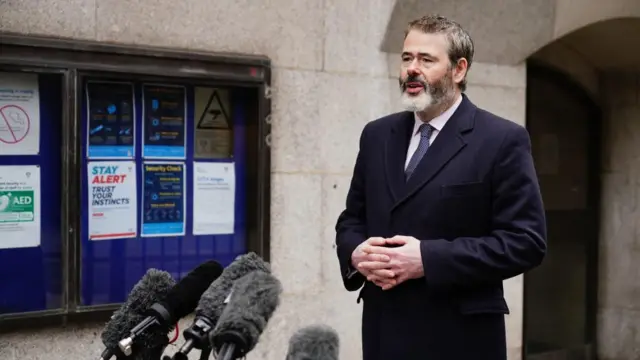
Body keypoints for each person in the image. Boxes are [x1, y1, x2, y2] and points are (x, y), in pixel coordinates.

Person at [334, 14, 547, 360]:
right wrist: (355, 254)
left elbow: (526, 242)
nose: (411, 69)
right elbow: (351, 219)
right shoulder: (376, 135)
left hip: (460, 338)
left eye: (426, 60)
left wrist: (426, 259)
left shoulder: (501, 139)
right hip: (384, 333)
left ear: (458, 70)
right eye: (406, 58)